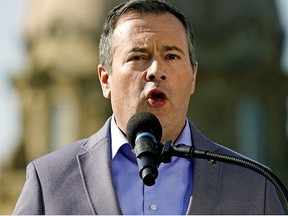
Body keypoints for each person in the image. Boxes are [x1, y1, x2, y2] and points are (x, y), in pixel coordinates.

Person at [13, 0, 285, 215]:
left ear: (193, 77)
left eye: (171, 56)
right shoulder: (47, 181)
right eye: (138, 56)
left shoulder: (255, 185)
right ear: (105, 79)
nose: (156, 70)